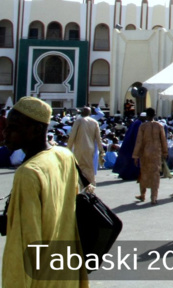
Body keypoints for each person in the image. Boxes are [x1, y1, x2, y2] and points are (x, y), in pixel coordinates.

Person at [1, 97, 87, 287]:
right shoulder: (64, 155)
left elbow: (25, 242)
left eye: (13, 127)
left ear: (37, 130)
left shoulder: (29, 172)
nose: (5, 133)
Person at [132, 107, 168, 205]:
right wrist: (165, 152)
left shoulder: (143, 126)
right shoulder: (159, 126)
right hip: (156, 153)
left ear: (147, 115)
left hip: (145, 153)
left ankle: (142, 195)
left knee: (144, 173)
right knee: (155, 175)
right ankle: (154, 197)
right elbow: (163, 140)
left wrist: (135, 155)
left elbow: (139, 141)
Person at [66, 105, 105, 189]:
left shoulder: (79, 121)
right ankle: (90, 186)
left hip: (79, 148)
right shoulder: (94, 122)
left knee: (79, 167)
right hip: (91, 149)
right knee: (89, 167)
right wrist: (101, 150)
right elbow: (98, 138)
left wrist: (68, 148)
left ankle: (80, 186)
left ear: (83, 112)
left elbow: (72, 136)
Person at [113, 113, 142, 180]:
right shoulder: (138, 124)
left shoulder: (135, 123)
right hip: (133, 146)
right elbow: (136, 136)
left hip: (128, 145)